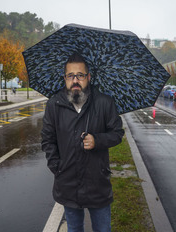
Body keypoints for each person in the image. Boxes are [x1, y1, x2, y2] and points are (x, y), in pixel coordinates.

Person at [41, 52, 124, 232]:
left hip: (98, 183)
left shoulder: (104, 102)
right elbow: (48, 140)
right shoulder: (54, 104)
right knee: (74, 229)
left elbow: (117, 133)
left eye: (80, 75)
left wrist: (98, 140)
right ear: (64, 78)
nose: (75, 80)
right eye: (70, 76)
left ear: (89, 77)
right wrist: (58, 167)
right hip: (68, 184)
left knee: (102, 229)